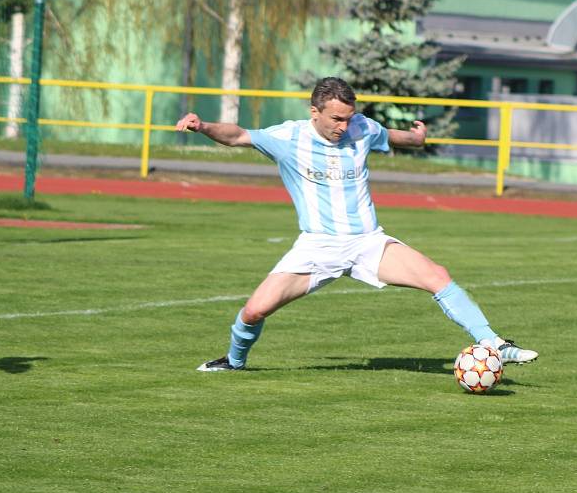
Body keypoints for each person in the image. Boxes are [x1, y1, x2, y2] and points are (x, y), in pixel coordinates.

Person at [176, 76, 538, 371]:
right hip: (317, 246)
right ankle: (234, 362)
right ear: (314, 111)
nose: (344, 126)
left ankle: (494, 344)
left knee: (437, 276)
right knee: (254, 310)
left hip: (368, 243)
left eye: (348, 117)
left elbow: (388, 136)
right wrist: (202, 125)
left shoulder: (361, 128)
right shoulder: (288, 138)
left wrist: (416, 138)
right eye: (336, 119)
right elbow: (237, 135)